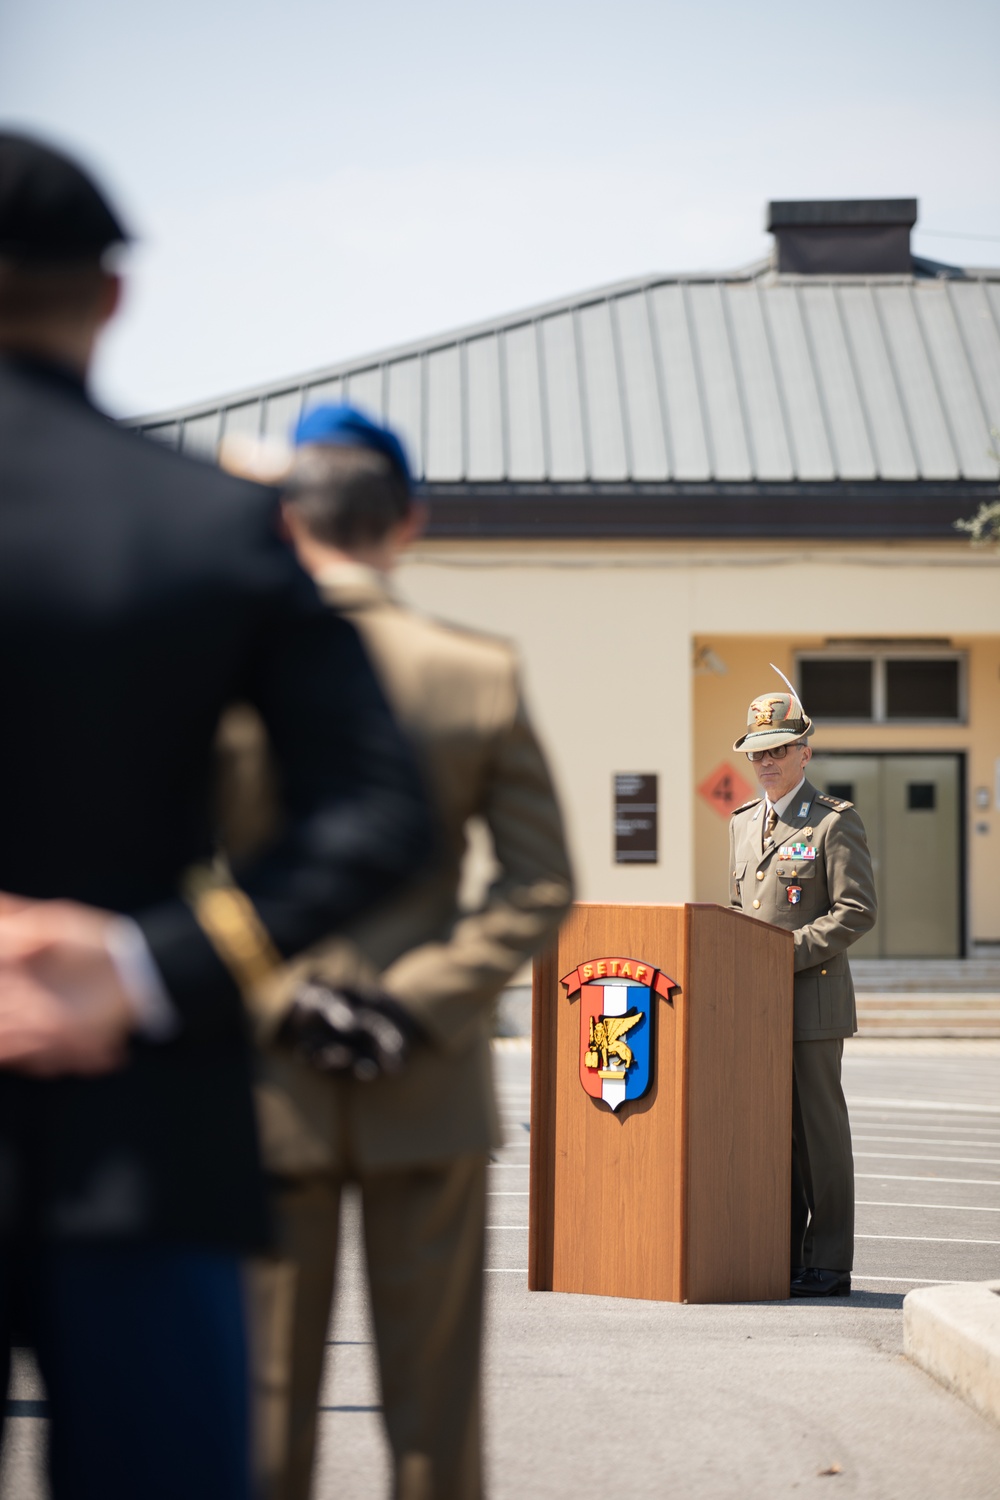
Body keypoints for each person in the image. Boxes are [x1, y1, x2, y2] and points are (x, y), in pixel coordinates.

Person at [0, 132, 431, 1499]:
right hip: (147, 1140)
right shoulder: (203, 526)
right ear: (112, 297)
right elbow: (375, 806)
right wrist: (146, 966)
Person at [229, 405, 574, 1500]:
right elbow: (540, 883)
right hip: (424, 1075)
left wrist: (284, 993)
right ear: (409, 522)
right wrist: (415, 997)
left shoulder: (229, 676)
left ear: (287, 523)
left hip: (269, 1075)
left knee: (266, 1408)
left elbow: (181, 866)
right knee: (433, 1416)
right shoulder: (472, 671)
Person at [728, 688, 876, 1298]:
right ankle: (781, 1252)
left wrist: (779, 955)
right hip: (756, 1008)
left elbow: (856, 912)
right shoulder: (741, 825)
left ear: (804, 753)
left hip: (811, 1003)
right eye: (757, 752)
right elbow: (738, 910)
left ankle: (829, 1260)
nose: (766, 762)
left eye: (778, 750)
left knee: (818, 1135)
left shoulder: (834, 821)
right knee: (769, 1134)